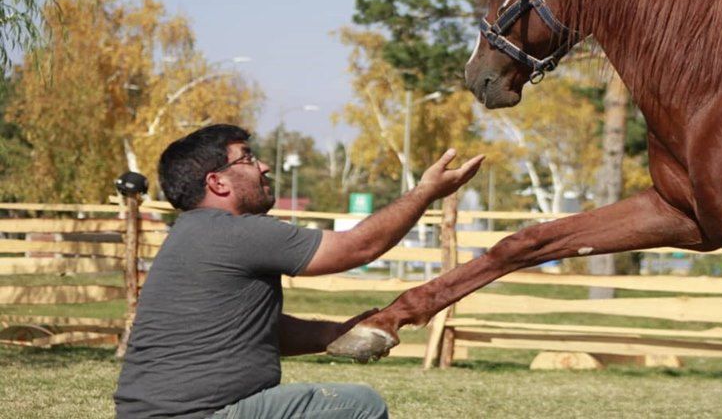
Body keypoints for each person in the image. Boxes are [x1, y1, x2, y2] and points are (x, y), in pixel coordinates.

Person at [114, 124, 484, 419]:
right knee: (359, 406)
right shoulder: (237, 232)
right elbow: (359, 247)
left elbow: (260, 331)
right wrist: (425, 192)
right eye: (248, 158)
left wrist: (336, 334)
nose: (264, 166)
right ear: (217, 182)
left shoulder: (191, 234)